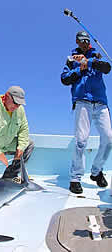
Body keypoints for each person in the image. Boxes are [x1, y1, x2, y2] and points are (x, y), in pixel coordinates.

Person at [61, 31, 112, 194]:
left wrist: (89, 62)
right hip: (82, 101)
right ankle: (75, 178)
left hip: (100, 102)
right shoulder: (71, 59)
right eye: (82, 40)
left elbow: (106, 67)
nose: (85, 42)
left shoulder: (96, 55)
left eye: (87, 40)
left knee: (109, 138)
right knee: (81, 140)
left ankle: (96, 172)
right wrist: (80, 71)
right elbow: (64, 79)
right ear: (77, 41)